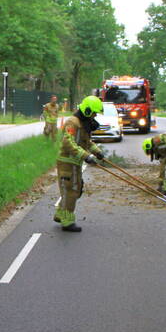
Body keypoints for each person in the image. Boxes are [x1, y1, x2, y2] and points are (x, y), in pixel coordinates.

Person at [55, 95, 105, 232]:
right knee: (71, 191)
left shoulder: (83, 124)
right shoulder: (73, 122)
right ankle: (67, 221)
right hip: (67, 163)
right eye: (94, 113)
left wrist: (97, 152)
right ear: (87, 110)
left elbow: (86, 142)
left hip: (75, 163)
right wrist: (86, 156)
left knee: (76, 190)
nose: (95, 116)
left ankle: (60, 213)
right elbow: (68, 142)